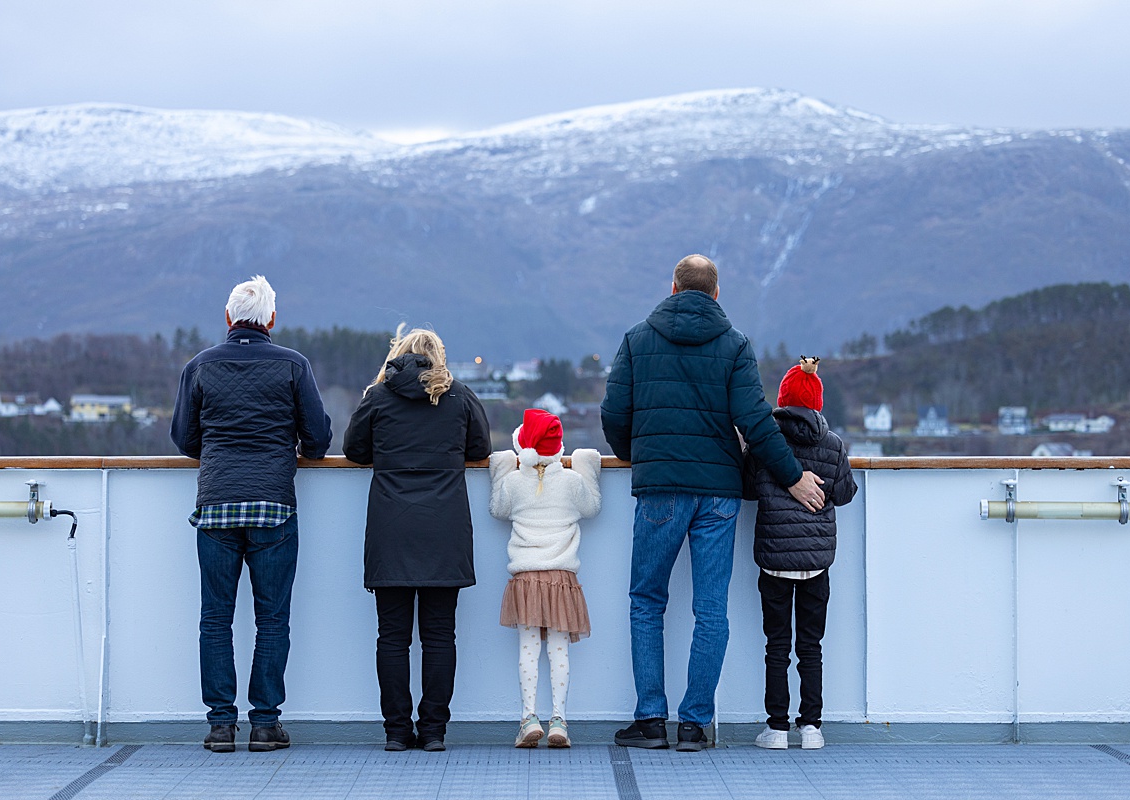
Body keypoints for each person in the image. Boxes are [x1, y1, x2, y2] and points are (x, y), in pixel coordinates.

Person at [600, 254, 825, 752]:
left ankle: (651, 721)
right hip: (719, 493)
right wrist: (793, 478)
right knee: (710, 609)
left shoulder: (638, 338)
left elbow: (614, 413)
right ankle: (695, 724)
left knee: (646, 601)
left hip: (659, 488)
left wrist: (641, 457)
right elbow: (757, 422)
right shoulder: (735, 344)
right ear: (716, 294)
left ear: (673, 287)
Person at [170, 275, 333, 753]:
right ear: (272, 319)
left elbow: (184, 439)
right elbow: (319, 442)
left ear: (228, 318)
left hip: (216, 506)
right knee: (272, 620)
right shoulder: (293, 365)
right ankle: (265, 723)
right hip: (273, 507)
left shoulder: (199, 367)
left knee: (215, 619)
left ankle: (221, 724)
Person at [342, 326, 491, 752]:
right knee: (441, 635)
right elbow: (480, 448)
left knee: (392, 637)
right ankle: (433, 732)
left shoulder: (378, 397)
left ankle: (395, 731)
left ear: (399, 354)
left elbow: (355, 451)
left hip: (392, 528)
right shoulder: (459, 396)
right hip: (444, 528)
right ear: (438, 358)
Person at [745, 357, 857, 750]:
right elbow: (843, 494)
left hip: (775, 561)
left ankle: (775, 728)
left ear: (782, 400)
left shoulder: (766, 444)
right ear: (818, 402)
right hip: (816, 563)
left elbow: (747, 488)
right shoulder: (833, 444)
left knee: (777, 645)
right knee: (811, 646)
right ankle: (811, 727)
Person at [488, 408, 602, 749]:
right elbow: (592, 507)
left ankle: (528, 718)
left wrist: (501, 468)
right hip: (561, 578)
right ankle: (559, 721)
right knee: (558, 649)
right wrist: (586, 462)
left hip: (525, 577)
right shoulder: (570, 482)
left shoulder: (514, 483)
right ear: (558, 449)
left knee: (528, 649)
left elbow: (497, 509)